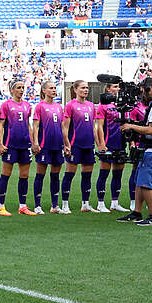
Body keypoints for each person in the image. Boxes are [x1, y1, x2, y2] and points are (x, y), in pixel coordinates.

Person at [118, 77, 152, 226]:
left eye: (142, 91)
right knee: (139, 182)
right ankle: (137, 212)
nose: (141, 96)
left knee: (146, 184)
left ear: (149, 89)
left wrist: (131, 126)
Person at [60, 80, 97, 214]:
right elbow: (65, 127)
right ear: (75, 90)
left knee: (87, 175)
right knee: (69, 174)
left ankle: (85, 204)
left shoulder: (91, 105)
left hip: (88, 145)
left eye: (87, 88)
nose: (85, 90)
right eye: (82, 88)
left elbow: (93, 127)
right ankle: (65, 204)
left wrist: (97, 144)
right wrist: (66, 144)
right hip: (75, 145)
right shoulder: (70, 105)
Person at [0, 80, 31, 216]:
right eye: (18, 88)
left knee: (24, 175)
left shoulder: (27, 105)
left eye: (23, 87)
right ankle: (1, 206)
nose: (21, 90)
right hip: (11, 145)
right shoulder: (6, 105)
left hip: (25, 144)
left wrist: (33, 142)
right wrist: (0, 143)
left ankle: (22, 206)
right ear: (11, 90)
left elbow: (28, 125)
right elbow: (1, 125)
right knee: (6, 174)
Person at [31, 82, 66, 215]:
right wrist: (35, 142)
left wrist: (66, 143)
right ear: (44, 90)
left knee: (55, 175)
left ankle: (55, 205)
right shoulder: (40, 106)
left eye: (54, 88)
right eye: (50, 88)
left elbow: (63, 127)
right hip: (44, 146)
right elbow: (36, 126)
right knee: (40, 174)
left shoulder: (58, 107)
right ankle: (37, 205)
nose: (53, 90)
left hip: (57, 145)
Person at [93, 87, 130, 214]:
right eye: (114, 86)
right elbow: (99, 127)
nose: (118, 88)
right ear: (108, 89)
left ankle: (115, 202)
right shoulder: (103, 106)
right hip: (108, 144)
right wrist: (101, 144)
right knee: (104, 173)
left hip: (120, 144)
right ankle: (100, 203)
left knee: (118, 175)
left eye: (118, 86)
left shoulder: (123, 105)